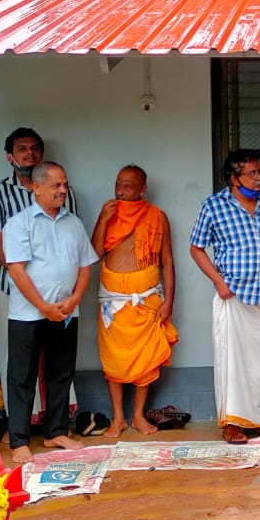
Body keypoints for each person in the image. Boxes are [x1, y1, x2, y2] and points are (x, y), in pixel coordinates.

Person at [2, 162, 96, 463]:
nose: (62, 191)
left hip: (67, 311)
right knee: (22, 377)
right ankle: (19, 440)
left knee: (61, 372)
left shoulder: (74, 223)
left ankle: (56, 431)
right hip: (28, 313)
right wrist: (44, 307)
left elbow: (85, 265)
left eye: (65, 185)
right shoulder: (19, 223)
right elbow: (16, 270)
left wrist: (75, 298)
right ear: (36, 187)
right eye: (56, 186)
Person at [0, 127, 78, 417]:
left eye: (35, 148)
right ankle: (19, 423)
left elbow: (69, 240)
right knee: (18, 358)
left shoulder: (63, 191)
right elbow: (1, 253)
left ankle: (55, 420)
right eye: (22, 149)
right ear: (10, 157)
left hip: (58, 294)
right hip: (13, 289)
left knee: (57, 357)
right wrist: (34, 288)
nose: (29, 154)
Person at [189, 151, 260, 444]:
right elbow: (196, 248)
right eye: (252, 173)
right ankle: (232, 424)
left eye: (259, 172)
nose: (259, 178)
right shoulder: (214, 206)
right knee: (231, 362)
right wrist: (218, 281)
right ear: (234, 177)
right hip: (233, 294)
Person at [90, 165, 176, 439]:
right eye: (118, 185)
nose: (121, 191)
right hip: (113, 302)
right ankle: (118, 418)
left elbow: (167, 262)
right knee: (113, 361)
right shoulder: (108, 214)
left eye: (128, 186)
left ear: (142, 189)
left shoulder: (157, 216)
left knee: (147, 361)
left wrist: (169, 302)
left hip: (147, 300)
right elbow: (94, 254)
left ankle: (138, 415)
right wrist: (103, 221)